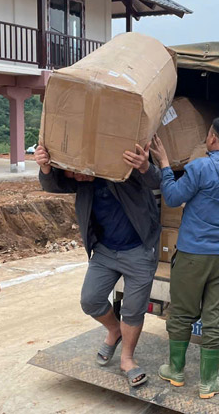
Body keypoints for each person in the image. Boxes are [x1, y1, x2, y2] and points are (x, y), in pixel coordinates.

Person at [34, 141, 161, 387]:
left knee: (134, 309)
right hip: (104, 250)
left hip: (138, 249)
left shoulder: (122, 170)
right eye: (69, 171)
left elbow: (156, 181)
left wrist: (145, 166)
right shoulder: (80, 182)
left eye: (74, 170)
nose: (73, 176)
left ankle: (127, 359)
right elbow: (52, 184)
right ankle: (114, 330)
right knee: (90, 300)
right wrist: (46, 167)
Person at [151, 117, 219, 399]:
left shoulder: (200, 168)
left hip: (191, 255)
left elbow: (173, 198)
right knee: (215, 318)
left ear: (212, 137)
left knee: (183, 313)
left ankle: (175, 371)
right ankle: (208, 383)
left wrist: (164, 164)